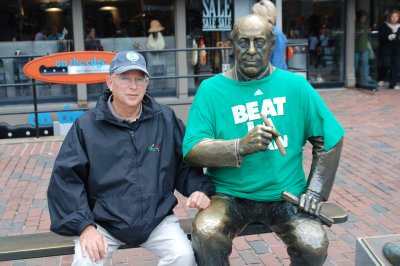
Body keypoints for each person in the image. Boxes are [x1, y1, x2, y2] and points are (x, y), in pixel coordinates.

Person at [182, 14, 344, 266]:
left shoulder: (296, 87)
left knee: (313, 243)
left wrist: (314, 192)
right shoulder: (211, 90)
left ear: (272, 45)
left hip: (286, 196)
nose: (251, 51)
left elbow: (330, 139)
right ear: (231, 44)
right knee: (206, 232)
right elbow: (192, 149)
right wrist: (240, 147)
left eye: (259, 42)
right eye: (243, 42)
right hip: (229, 196)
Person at [47, 51, 215, 266]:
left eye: (139, 79)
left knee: (183, 256)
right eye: (125, 78)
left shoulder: (164, 119)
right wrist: (85, 227)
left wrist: (199, 189)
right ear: (110, 82)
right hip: (103, 223)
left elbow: (185, 163)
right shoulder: (86, 127)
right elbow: (66, 180)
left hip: (157, 219)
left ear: (147, 83)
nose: (133, 86)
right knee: (85, 261)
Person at [253, 0, 287, 70]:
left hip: (272, 77)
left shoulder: (275, 33)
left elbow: (278, 63)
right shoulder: (257, 31)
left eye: (255, 14)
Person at [377, 9, 400, 90]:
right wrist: (389, 37)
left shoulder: (399, 26)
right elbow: (380, 38)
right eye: (393, 16)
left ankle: (392, 84)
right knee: (386, 65)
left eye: (396, 16)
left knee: (396, 67)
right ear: (390, 17)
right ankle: (380, 78)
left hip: (396, 50)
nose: (395, 18)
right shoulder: (384, 25)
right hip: (385, 50)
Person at [355, 10, 375, 85]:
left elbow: (368, 35)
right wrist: (360, 32)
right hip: (356, 47)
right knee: (355, 64)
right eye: (363, 17)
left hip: (364, 47)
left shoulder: (366, 25)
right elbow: (352, 35)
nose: (364, 18)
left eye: (365, 17)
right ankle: (357, 78)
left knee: (365, 64)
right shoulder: (356, 25)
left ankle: (365, 79)